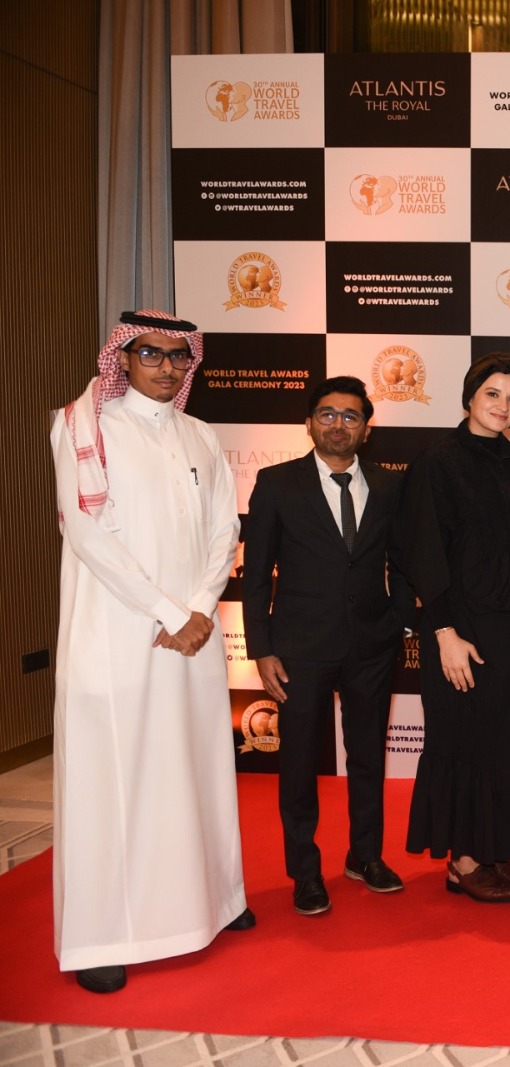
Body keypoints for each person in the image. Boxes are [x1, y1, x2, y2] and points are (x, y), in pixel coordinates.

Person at [50, 310, 253, 994]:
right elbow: (87, 534)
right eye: (151, 354)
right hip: (119, 633)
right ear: (122, 357)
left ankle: (216, 902)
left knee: (198, 766)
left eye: (178, 357)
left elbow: (224, 530)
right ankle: (101, 936)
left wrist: (199, 606)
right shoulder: (85, 427)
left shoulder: (200, 434)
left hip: (192, 634)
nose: (167, 368)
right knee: (116, 778)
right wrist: (169, 612)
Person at [242, 376, 412, 916]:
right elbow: (255, 575)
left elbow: (403, 561)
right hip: (299, 649)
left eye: (350, 416)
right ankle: (305, 872)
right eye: (328, 414)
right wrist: (261, 647)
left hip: (372, 647)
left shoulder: (389, 485)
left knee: (367, 758)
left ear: (366, 429)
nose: (339, 425)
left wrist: (400, 621)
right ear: (310, 422)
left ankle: (366, 856)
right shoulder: (276, 483)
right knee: (298, 764)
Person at [396, 352, 510, 903]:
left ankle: (493, 849)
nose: (503, 406)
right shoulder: (437, 461)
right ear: (469, 397)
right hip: (460, 630)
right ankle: (463, 861)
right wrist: (443, 633)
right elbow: (421, 551)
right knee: (464, 739)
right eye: (493, 394)